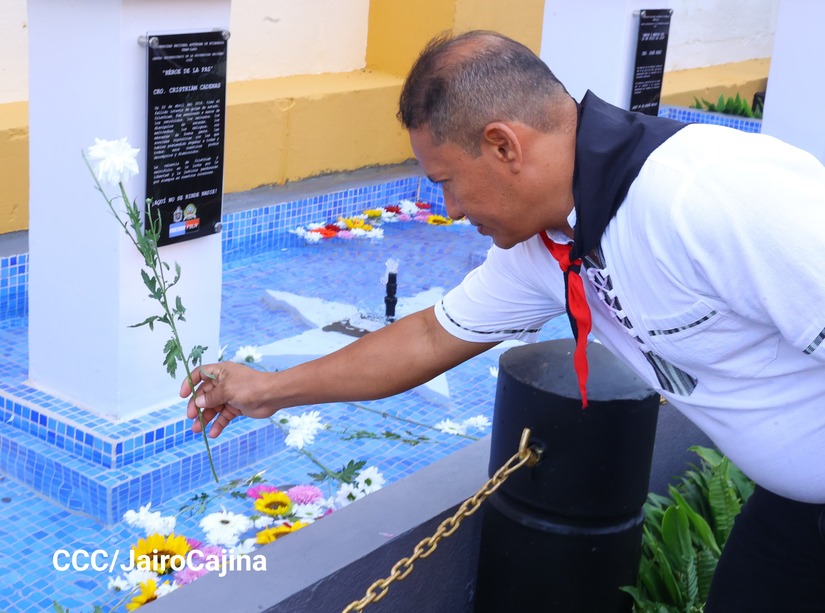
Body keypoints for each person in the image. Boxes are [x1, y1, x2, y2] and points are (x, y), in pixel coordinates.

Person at [181, 30, 825, 611]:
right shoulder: (546, 242)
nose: (451, 209)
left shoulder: (709, 197)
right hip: (793, 511)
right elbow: (429, 336)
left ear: (503, 145)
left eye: (447, 181)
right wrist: (267, 389)